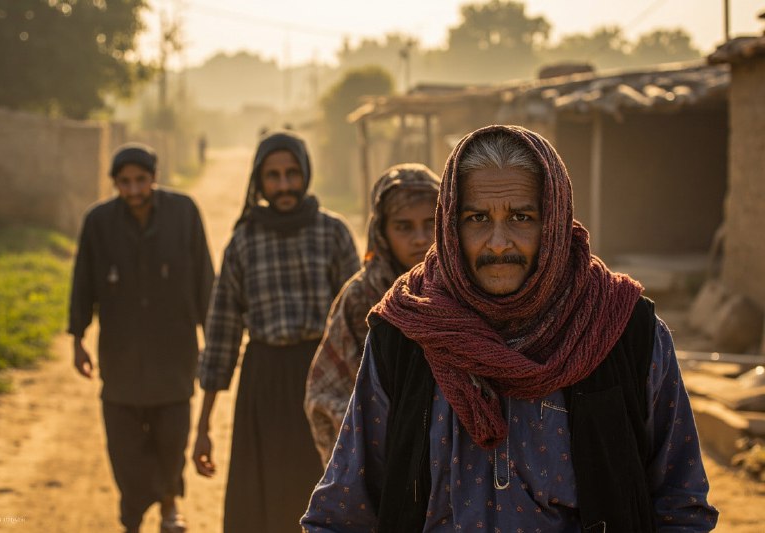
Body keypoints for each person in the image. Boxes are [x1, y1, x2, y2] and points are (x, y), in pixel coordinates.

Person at [301, 125, 719, 532]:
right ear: (449, 225)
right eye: (477, 218)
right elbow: (342, 513)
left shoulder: (623, 331)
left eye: (521, 217)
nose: (499, 243)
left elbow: (681, 506)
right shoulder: (406, 332)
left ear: (553, 220)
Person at [192, 131, 360, 533]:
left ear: (305, 174)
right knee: (260, 496)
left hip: (325, 377)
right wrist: (202, 431)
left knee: (325, 487)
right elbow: (221, 338)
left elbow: (362, 323)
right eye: (273, 176)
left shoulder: (332, 232)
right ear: (259, 181)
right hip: (263, 381)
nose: (284, 185)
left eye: (291, 173)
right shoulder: (243, 241)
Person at [69, 143, 214, 533]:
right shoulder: (98, 222)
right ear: (114, 183)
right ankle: (132, 517)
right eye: (125, 182)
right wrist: (78, 336)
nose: (133, 190)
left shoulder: (184, 213)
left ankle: (169, 506)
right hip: (120, 361)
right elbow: (82, 281)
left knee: (172, 443)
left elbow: (204, 280)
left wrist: (213, 339)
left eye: (141, 180)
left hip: (174, 356)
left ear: (154, 178)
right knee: (125, 452)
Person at [304, 163, 439, 466]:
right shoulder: (362, 297)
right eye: (403, 226)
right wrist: (376, 431)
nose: (419, 238)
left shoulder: (468, 291)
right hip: (386, 460)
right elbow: (325, 394)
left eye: (430, 223)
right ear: (382, 231)